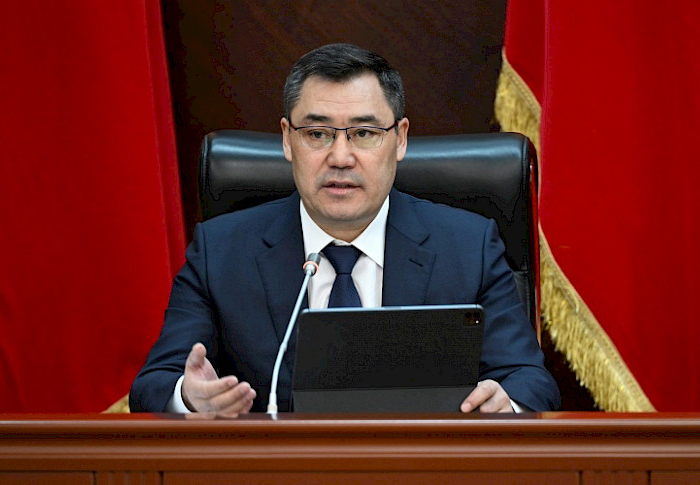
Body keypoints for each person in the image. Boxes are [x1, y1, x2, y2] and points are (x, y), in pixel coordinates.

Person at [129, 43, 560, 415]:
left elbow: (530, 382)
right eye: (317, 134)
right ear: (287, 139)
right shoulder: (221, 251)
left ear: (400, 139)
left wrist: (504, 403)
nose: (340, 157)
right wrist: (190, 396)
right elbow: (154, 384)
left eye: (364, 133)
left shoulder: (468, 247)